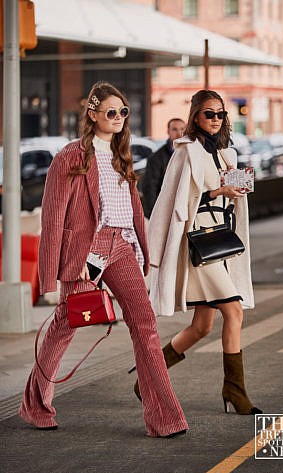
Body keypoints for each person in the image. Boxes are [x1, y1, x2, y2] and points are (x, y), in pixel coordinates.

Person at [19, 81, 188, 438]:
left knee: (145, 325)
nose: (118, 118)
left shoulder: (121, 154)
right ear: (92, 114)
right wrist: (65, 262)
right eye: (111, 112)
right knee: (66, 324)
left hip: (121, 245)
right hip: (88, 250)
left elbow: (131, 208)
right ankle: (35, 405)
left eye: (123, 112)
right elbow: (53, 216)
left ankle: (165, 417)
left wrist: (143, 250)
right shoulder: (71, 156)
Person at [134, 89, 262, 415]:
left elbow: (233, 197)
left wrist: (238, 188)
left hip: (220, 236)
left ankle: (147, 377)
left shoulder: (226, 154)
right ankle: (235, 391)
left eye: (220, 114)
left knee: (202, 326)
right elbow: (174, 199)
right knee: (234, 312)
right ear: (195, 116)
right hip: (197, 239)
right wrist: (219, 189)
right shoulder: (186, 152)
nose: (216, 120)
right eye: (209, 114)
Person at [142, 118, 185, 218]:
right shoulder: (156, 158)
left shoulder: (191, 154)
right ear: (168, 131)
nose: (179, 133)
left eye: (182, 129)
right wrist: (153, 214)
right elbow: (150, 187)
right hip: (165, 211)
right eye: (174, 129)